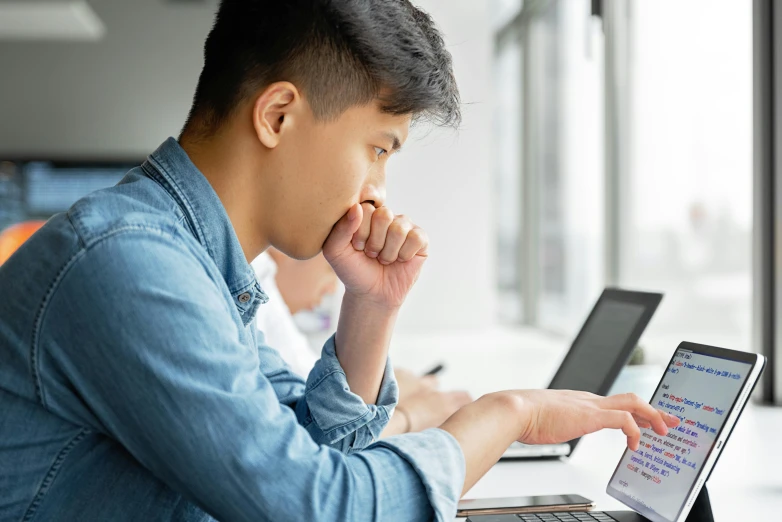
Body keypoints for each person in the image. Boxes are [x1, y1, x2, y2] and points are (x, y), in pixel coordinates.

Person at [0, 1, 679, 521]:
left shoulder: (194, 265)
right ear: (277, 116)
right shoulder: (128, 266)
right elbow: (316, 506)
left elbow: (302, 453)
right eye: (378, 149)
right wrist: (509, 416)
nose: (377, 191)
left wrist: (371, 309)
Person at [252, 249, 472, 436]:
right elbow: (315, 436)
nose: (332, 289)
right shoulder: (257, 277)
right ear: (277, 254)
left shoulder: (258, 281)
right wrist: (409, 417)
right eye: (331, 269)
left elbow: (314, 395)